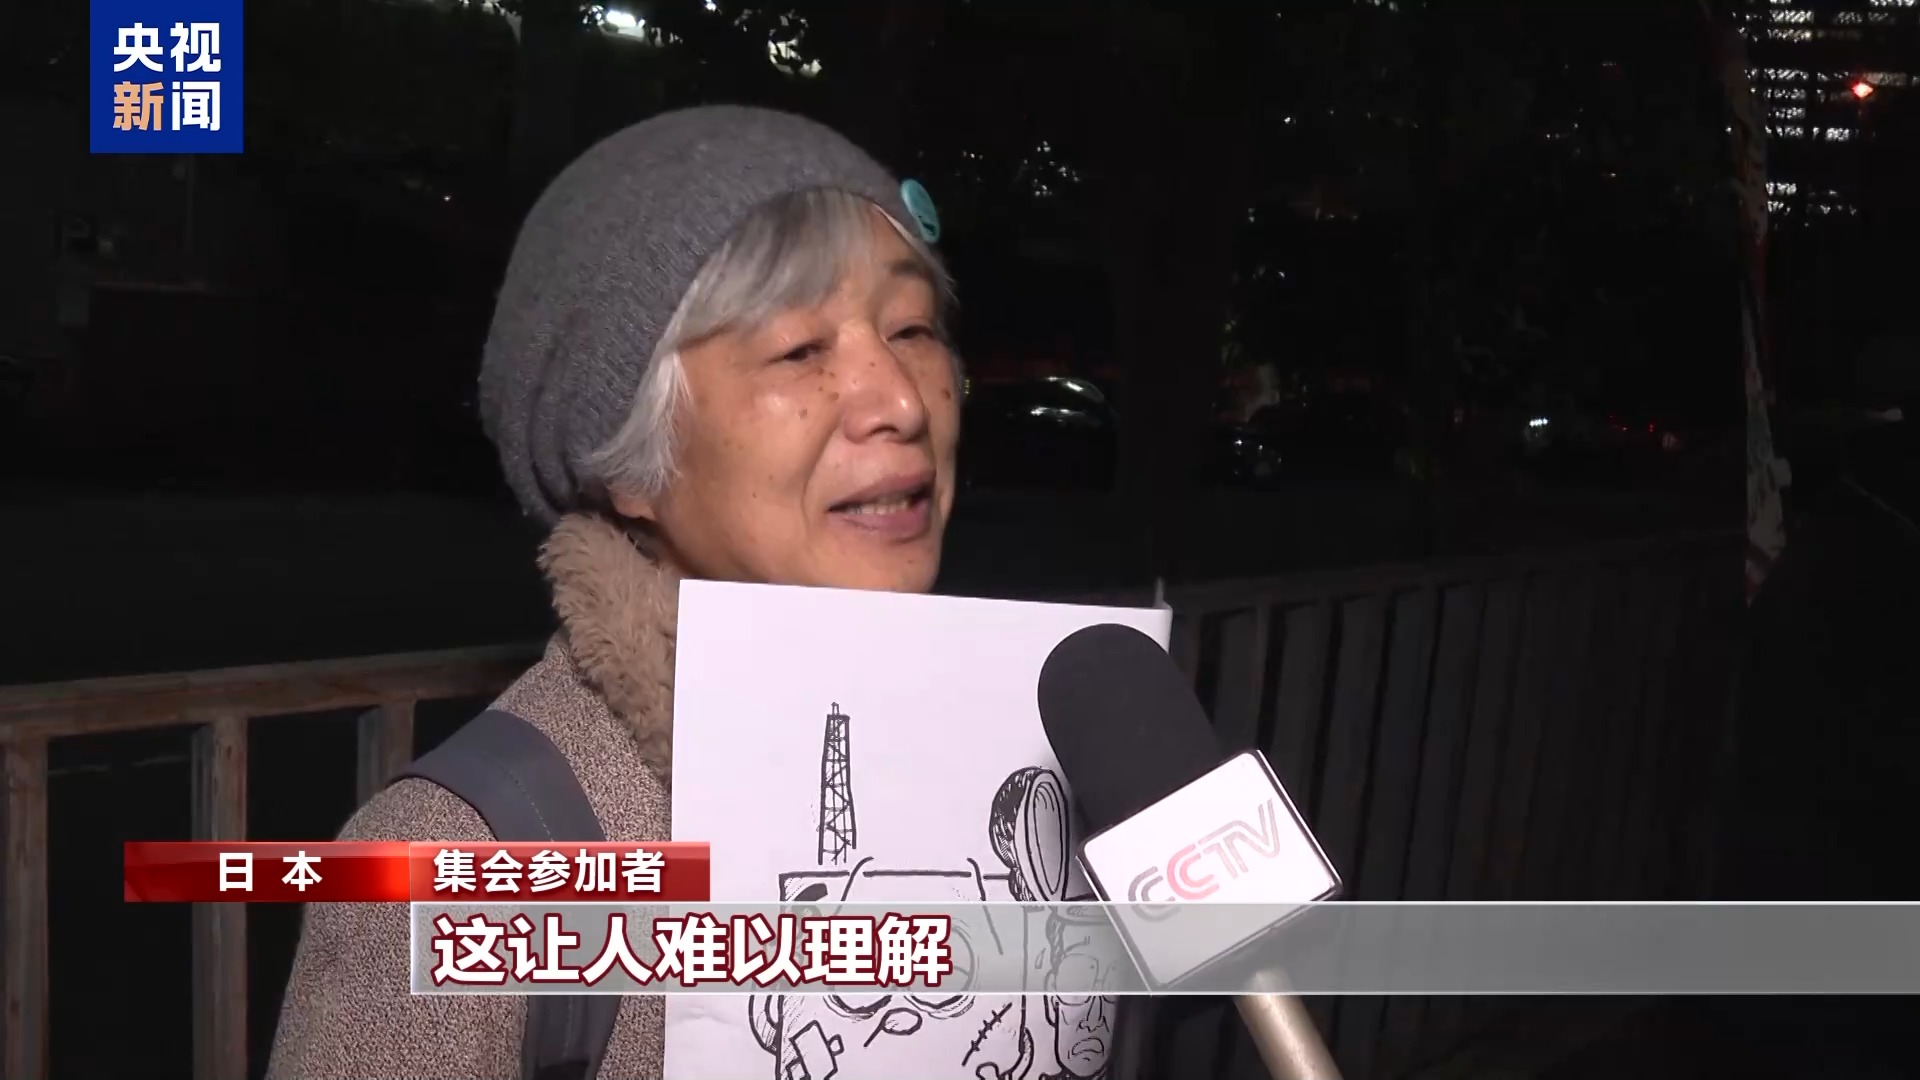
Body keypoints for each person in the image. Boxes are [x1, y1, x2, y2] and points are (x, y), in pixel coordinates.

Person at [266, 105, 961, 1079]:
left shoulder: (1043, 786)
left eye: (913, 328)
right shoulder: (453, 874)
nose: (900, 400)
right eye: (801, 348)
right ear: (634, 459)